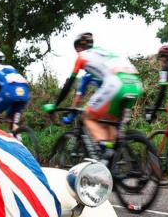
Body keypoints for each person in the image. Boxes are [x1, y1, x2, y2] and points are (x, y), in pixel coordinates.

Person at [43, 33, 143, 161]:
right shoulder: (103, 52)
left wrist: (55, 105)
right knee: (111, 122)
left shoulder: (82, 57)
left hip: (115, 84)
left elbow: (69, 84)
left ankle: (105, 157)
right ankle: (113, 159)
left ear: (78, 48)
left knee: (87, 116)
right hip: (135, 84)